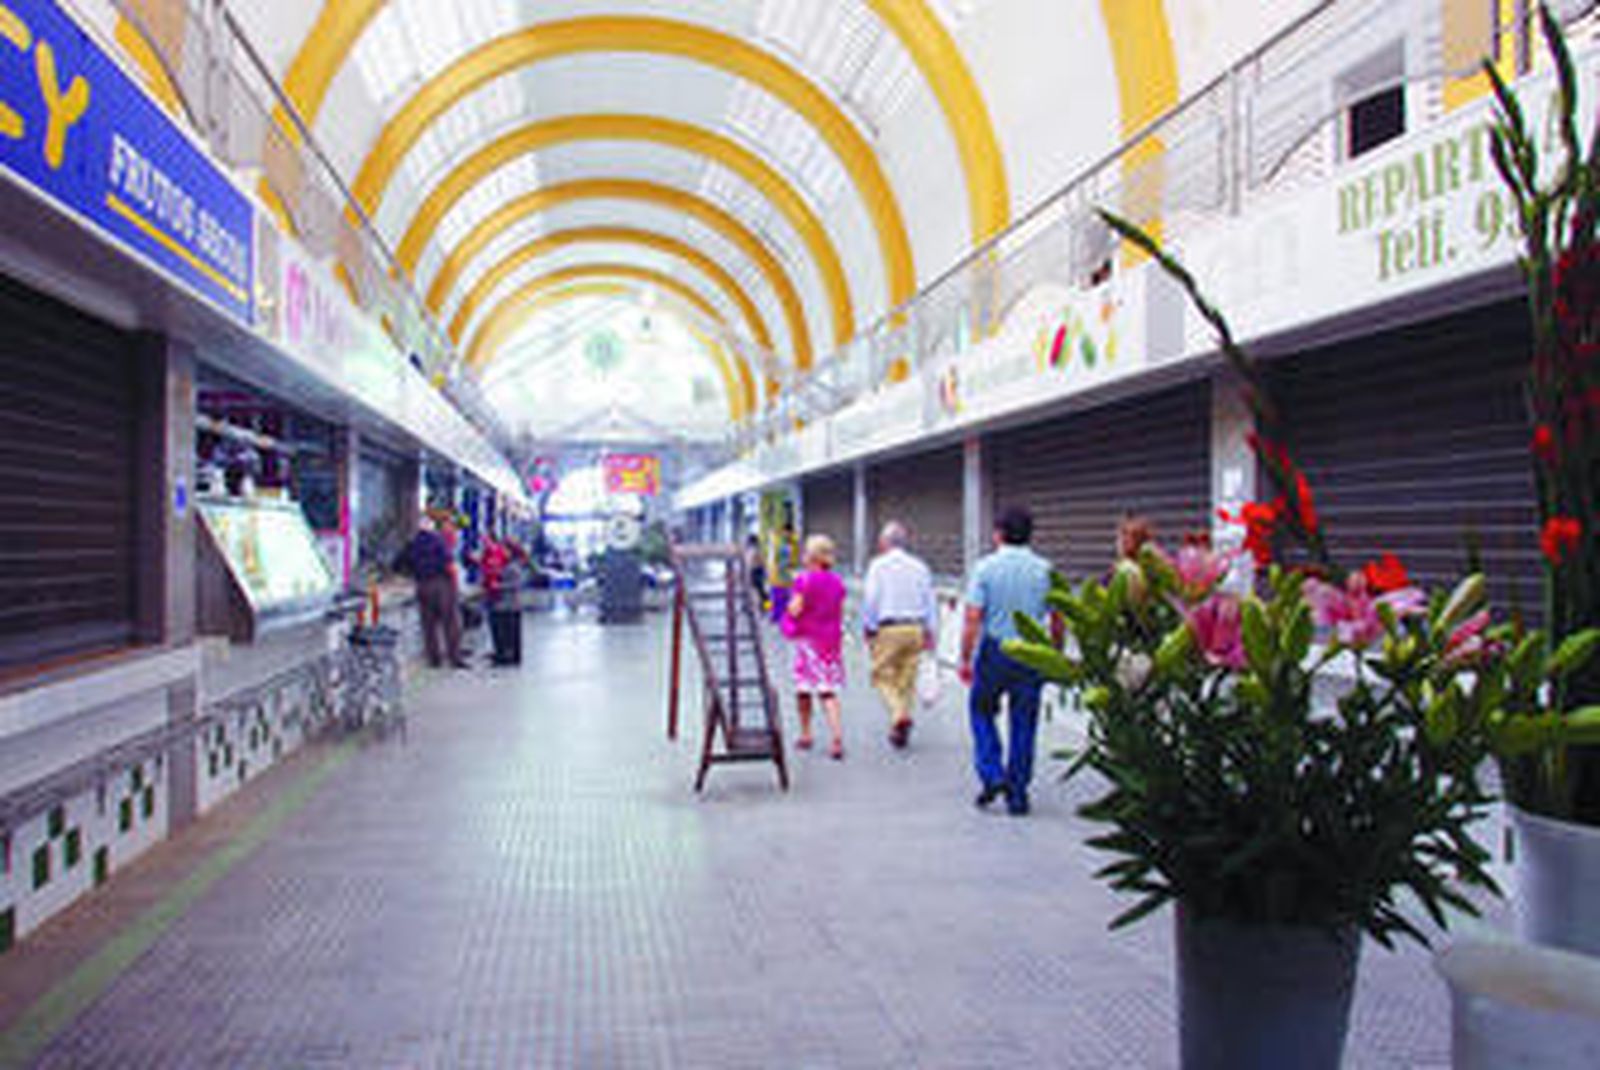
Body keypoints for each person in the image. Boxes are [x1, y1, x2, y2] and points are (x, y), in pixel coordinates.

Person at [960, 506, 1058, 815]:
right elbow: (1058, 617)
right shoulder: (1046, 569)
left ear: (999, 533)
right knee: (1024, 721)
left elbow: (973, 617)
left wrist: (965, 656)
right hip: (1031, 652)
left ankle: (992, 774)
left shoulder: (985, 568)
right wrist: (1054, 653)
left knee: (981, 710)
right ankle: (1018, 793)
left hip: (995, 651)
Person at [861, 520, 938, 749]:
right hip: (915, 628)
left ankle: (898, 715)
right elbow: (930, 600)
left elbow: (871, 598)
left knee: (881, 675)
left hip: (889, 628)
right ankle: (900, 726)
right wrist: (931, 631)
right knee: (906, 681)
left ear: (885, 543)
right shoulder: (920, 566)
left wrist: (869, 626)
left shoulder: (878, 565)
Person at [785, 534, 848, 760]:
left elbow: (795, 610)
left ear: (812, 556)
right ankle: (837, 737)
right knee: (827, 691)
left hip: (808, 642)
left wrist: (790, 605)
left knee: (803, 690)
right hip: (830, 643)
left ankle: (806, 734)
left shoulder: (805, 580)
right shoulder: (837, 582)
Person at [393, 515, 466, 669]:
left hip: (422, 585)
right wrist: (455, 586)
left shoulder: (412, 543)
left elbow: (397, 564)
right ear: (432, 527)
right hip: (441, 584)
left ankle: (434, 659)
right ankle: (454, 658)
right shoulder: (438, 541)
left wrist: (412, 573)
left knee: (428, 624)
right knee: (450, 622)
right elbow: (449, 563)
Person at [744, 533, 767, 611]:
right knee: (761, 591)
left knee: (759, 591)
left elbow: (757, 561)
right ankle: (764, 607)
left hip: (755, 571)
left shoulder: (752, 550)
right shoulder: (755, 550)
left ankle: (764, 607)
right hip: (757, 571)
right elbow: (762, 561)